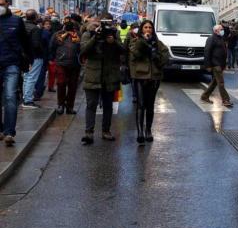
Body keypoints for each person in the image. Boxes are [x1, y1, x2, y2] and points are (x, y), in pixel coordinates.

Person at [79, 14, 124, 144]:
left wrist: (113, 42)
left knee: (108, 106)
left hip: (109, 75)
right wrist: (96, 37)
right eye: (98, 23)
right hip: (93, 75)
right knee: (91, 104)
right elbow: (84, 50)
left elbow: (123, 50)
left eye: (104, 23)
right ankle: (89, 133)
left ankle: (106, 131)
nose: (100, 25)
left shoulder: (114, 34)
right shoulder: (88, 34)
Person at [129, 20, 169, 144]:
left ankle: (148, 130)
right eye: (145, 27)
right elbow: (134, 54)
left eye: (150, 27)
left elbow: (164, 59)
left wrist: (155, 54)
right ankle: (140, 132)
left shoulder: (158, 43)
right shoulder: (135, 41)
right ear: (142, 29)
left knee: (150, 105)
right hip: (140, 77)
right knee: (141, 104)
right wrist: (143, 42)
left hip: (154, 77)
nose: (148, 29)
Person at [0, 0, 32, 147]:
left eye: (1, 3)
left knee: (10, 97)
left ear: (7, 4)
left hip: (11, 64)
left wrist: (28, 60)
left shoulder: (16, 21)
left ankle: (9, 132)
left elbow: (25, 42)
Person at [49, 16, 81, 115]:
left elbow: (82, 47)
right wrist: (52, 59)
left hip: (75, 64)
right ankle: (60, 105)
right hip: (61, 63)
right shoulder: (57, 34)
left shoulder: (78, 35)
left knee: (72, 86)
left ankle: (70, 106)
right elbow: (52, 47)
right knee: (61, 84)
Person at [201, 24, 233, 107]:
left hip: (220, 64)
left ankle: (205, 96)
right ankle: (226, 100)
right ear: (216, 30)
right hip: (215, 64)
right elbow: (207, 52)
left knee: (215, 82)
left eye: (222, 29)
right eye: (221, 29)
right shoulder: (211, 38)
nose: (222, 30)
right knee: (221, 82)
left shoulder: (220, 38)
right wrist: (207, 65)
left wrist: (224, 65)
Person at [22, 9, 44, 109]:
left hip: (25, 56)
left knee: (27, 77)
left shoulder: (22, 26)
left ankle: (25, 98)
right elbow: (36, 44)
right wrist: (42, 51)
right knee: (31, 78)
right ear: (35, 17)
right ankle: (28, 101)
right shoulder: (35, 28)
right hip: (35, 56)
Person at [35, 18, 53, 101]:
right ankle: (38, 92)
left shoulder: (41, 31)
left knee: (38, 74)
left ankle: (37, 91)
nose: (48, 25)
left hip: (39, 56)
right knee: (41, 75)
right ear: (43, 25)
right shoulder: (46, 33)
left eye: (49, 24)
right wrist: (50, 57)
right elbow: (49, 47)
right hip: (43, 56)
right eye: (46, 24)